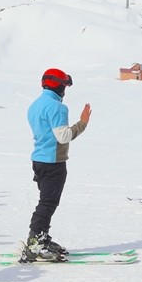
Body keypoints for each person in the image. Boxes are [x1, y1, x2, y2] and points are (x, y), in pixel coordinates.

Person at [23, 68, 90, 261]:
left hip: (39, 160)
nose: (65, 91)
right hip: (53, 162)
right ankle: (35, 242)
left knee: (47, 201)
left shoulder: (35, 105)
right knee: (48, 203)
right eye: (65, 86)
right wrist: (82, 123)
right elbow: (64, 136)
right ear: (60, 86)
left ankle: (41, 238)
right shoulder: (57, 107)